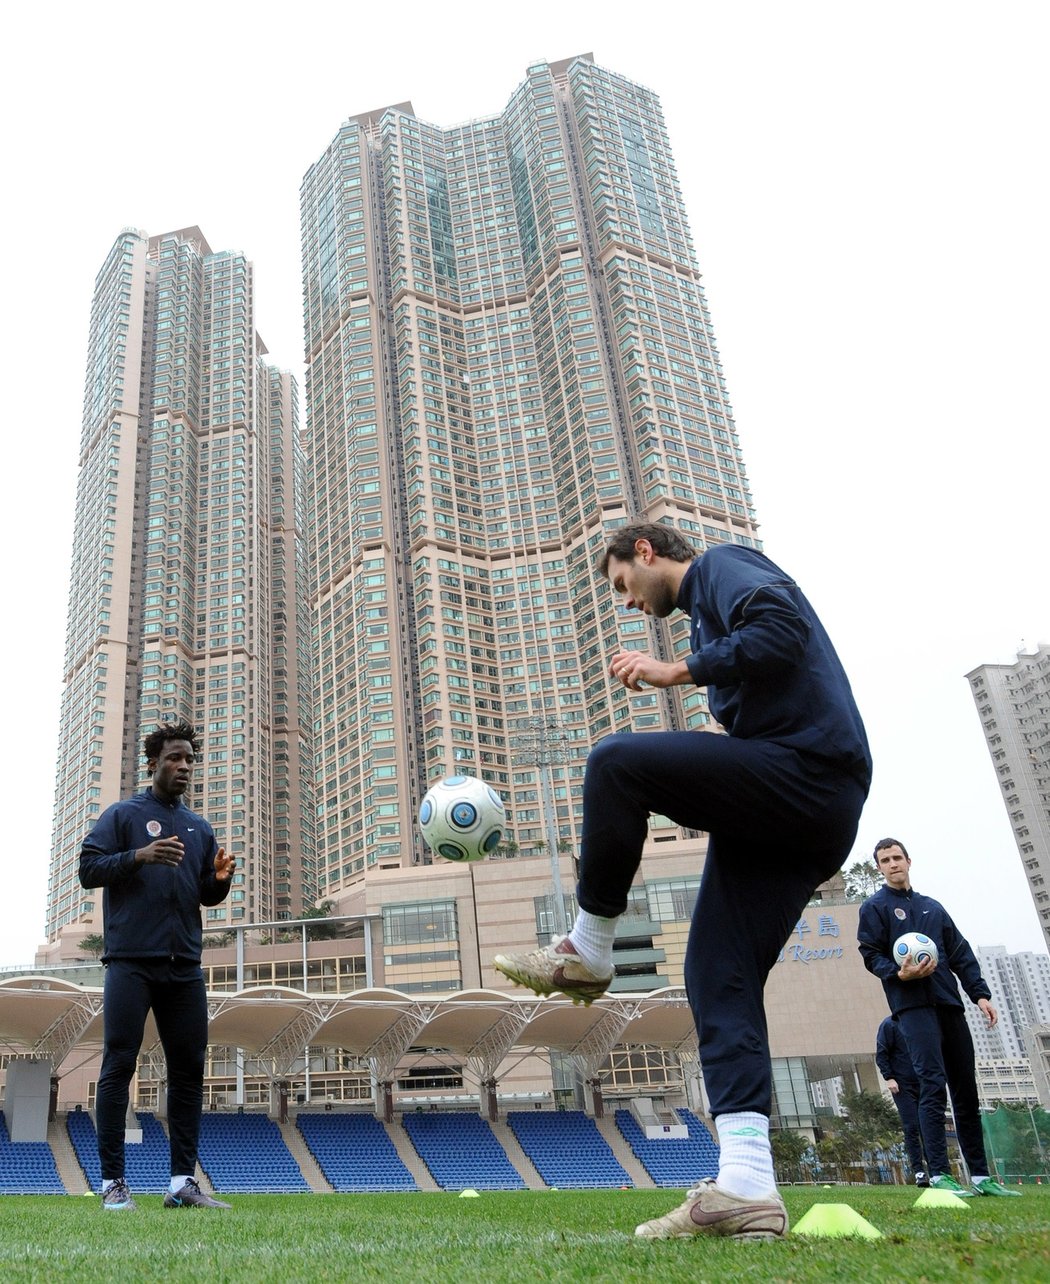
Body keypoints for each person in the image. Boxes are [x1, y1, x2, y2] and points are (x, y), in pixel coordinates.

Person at [494, 522, 872, 1240]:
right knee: (716, 972)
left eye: (621, 584)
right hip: (800, 807)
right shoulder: (704, 616)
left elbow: (782, 632)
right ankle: (749, 1186)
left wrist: (678, 673)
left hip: (812, 777)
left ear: (646, 552)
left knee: (615, 763)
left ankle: (588, 948)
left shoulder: (721, 568)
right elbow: (770, 679)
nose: (626, 602)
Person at [79, 720, 235, 1211]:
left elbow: (204, 895)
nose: (184, 765)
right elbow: (88, 870)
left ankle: (181, 1184)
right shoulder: (123, 815)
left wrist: (221, 881)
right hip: (130, 962)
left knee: (188, 1071)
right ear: (154, 763)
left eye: (189, 758)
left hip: (184, 965)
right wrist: (139, 856)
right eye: (174, 757)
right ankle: (112, 1185)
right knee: (118, 1064)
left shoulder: (199, 827)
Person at [857, 838, 1018, 1198]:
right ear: (879, 868)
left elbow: (959, 952)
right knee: (932, 1084)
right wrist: (898, 974)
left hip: (949, 1003)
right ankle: (941, 1175)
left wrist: (980, 994)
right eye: (886, 860)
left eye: (898, 857)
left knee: (965, 1088)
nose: (893, 863)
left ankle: (980, 1176)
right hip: (912, 1008)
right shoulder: (875, 907)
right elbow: (870, 953)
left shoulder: (933, 908)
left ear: (909, 861)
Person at [875, 1014, 929, 1186]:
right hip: (902, 1085)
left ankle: (937, 1170)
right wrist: (889, 1077)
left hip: (925, 1081)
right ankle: (919, 1171)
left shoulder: (920, 1022)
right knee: (912, 1127)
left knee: (929, 1126)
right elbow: (882, 1053)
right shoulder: (889, 1025)